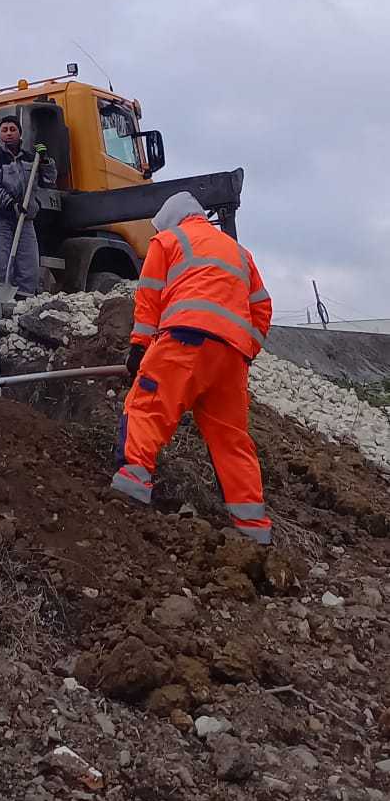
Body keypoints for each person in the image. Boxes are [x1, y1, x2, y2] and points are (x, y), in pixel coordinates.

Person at [111, 189, 273, 544]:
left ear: (168, 220)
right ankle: (253, 527)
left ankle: (131, 485)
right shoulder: (239, 253)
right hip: (230, 357)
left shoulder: (168, 240)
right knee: (231, 439)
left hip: (184, 340)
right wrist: (245, 352)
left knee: (147, 406)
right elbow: (262, 309)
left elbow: (150, 296)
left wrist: (139, 348)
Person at [0, 109, 57, 298]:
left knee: (29, 267)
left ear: (20, 133)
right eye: (4, 130)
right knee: (1, 264)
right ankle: (2, 303)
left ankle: (25, 303)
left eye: (12, 129)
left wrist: (45, 161)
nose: (9, 133)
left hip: (26, 219)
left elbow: (49, 180)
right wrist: (11, 204)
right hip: (1, 219)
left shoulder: (29, 158)